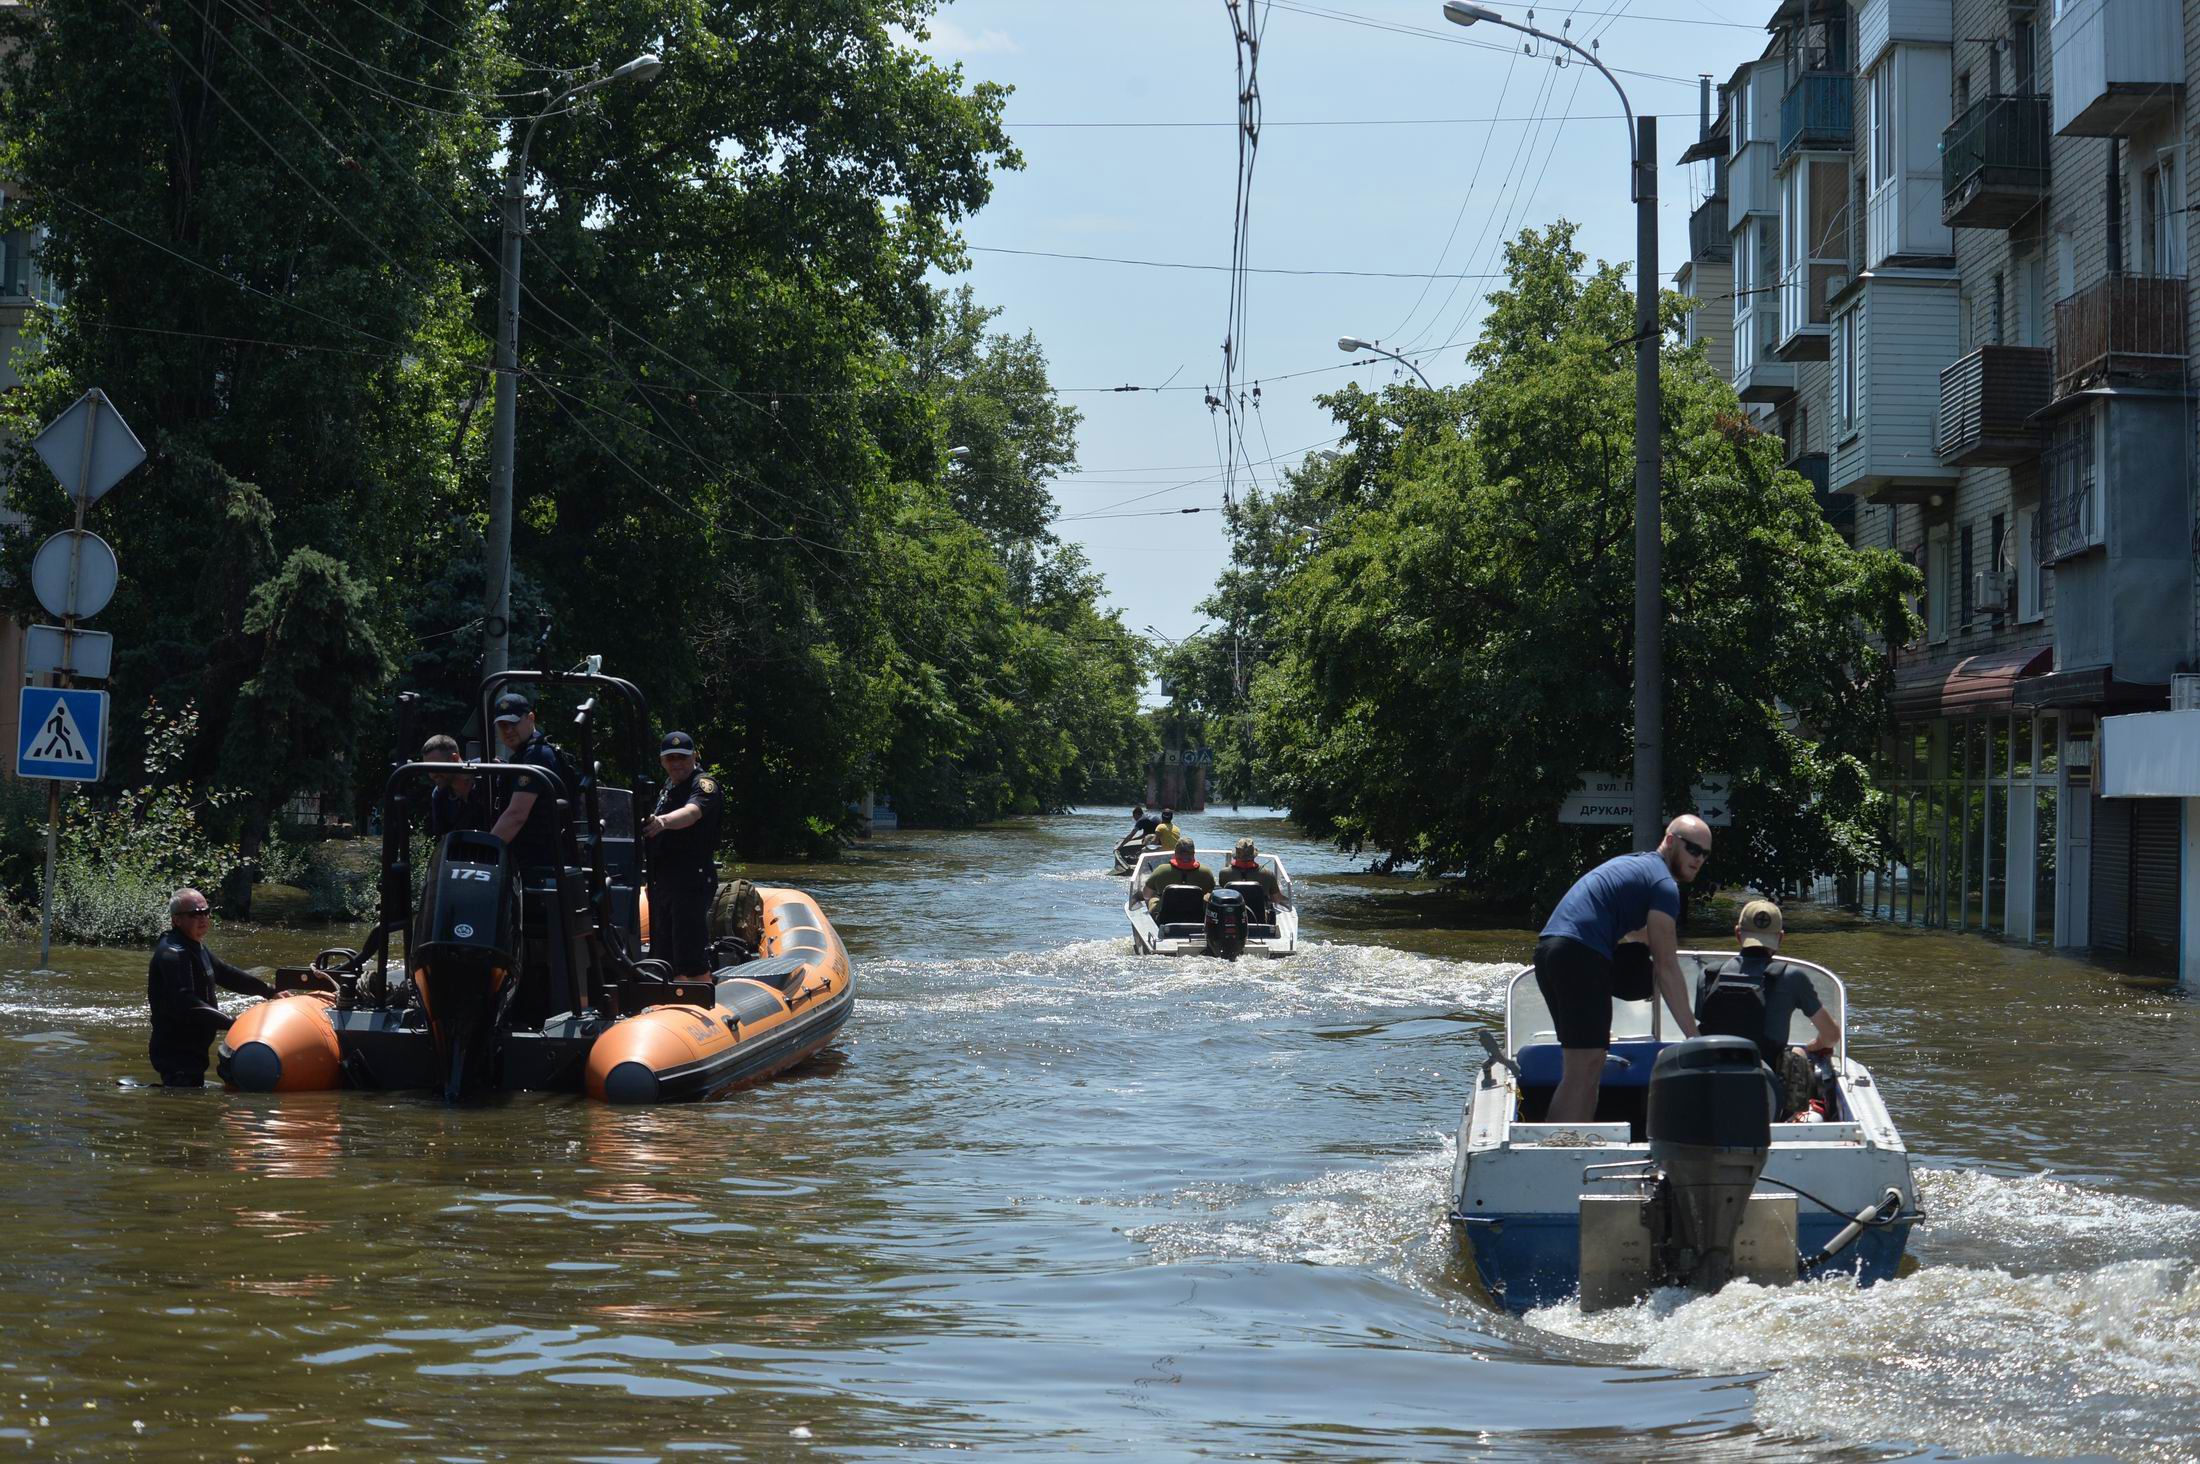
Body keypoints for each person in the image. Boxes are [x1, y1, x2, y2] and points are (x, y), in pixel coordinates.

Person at [1533, 815, 1712, 1123]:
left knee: (1587, 1064)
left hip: (1552, 951)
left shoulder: (1636, 866)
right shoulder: (1664, 886)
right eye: (1693, 849)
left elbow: (1631, 933)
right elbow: (1667, 967)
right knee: (1584, 1066)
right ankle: (1560, 1150)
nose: (1699, 859)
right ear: (1670, 841)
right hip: (1579, 957)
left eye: (1705, 854)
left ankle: (1573, 1142)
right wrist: (1695, 1038)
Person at [1696, 898, 1841, 1120]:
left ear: (1737, 934)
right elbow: (1831, 1036)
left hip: (1710, 1087)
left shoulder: (1708, 975)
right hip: (1766, 1094)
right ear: (1780, 938)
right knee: (1798, 1054)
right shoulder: (1792, 977)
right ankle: (1793, 1118)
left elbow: (1701, 1031)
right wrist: (1813, 1046)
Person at [146, 887, 274, 1086]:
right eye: (195, 914)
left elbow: (226, 974)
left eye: (206, 912)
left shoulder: (195, 946)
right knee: (184, 1108)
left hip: (194, 1048)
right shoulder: (173, 952)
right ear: (176, 920)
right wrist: (233, 1023)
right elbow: (187, 1003)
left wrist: (270, 991)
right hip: (176, 1051)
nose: (203, 918)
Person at [642, 730, 724, 976]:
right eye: (670, 758)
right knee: (664, 954)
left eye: (682, 757)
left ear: (695, 756)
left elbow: (692, 812)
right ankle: (667, 1004)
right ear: (662, 761)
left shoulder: (703, 785)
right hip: (664, 881)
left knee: (690, 955)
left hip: (691, 879)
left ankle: (701, 1000)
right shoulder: (669, 786)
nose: (676, 763)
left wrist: (663, 821)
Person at [487, 692, 568, 874]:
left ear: (531, 718)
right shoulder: (524, 756)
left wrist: (485, 854)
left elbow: (516, 815)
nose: (508, 730)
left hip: (538, 864)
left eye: (513, 723)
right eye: (502, 725)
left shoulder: (537, 755)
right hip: (528, 860)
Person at [422, 733, 489, 839]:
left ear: (454, 759)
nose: (432, 775)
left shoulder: (489, 773)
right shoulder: (440, 795)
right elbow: (443, 838)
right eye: (428, 769)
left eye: (436, 767)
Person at [1143, 836, 1215, 912]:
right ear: (1193, 853)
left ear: (1175, 852)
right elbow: (1213, 894)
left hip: (1165, 917)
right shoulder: (1206, 872)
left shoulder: (1161, 870)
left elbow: (1146, 895)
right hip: (1196, 916)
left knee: (1153, 898)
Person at [1219, 838, 1281, 905]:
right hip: (1259, 914)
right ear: (1253, 855)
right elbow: (1276, 899)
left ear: (1236, 855)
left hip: (1234, 913)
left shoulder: (1224, 873)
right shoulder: (1268, 874)